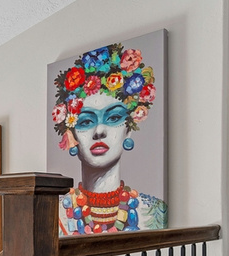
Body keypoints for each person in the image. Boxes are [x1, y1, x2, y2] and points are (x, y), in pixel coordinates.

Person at [52, 42, 167, 234]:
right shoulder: (52, 213)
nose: (99, 131)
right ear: (71, 135)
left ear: (128, 131)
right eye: (86, 121)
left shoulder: (152, 210)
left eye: (113, 118)